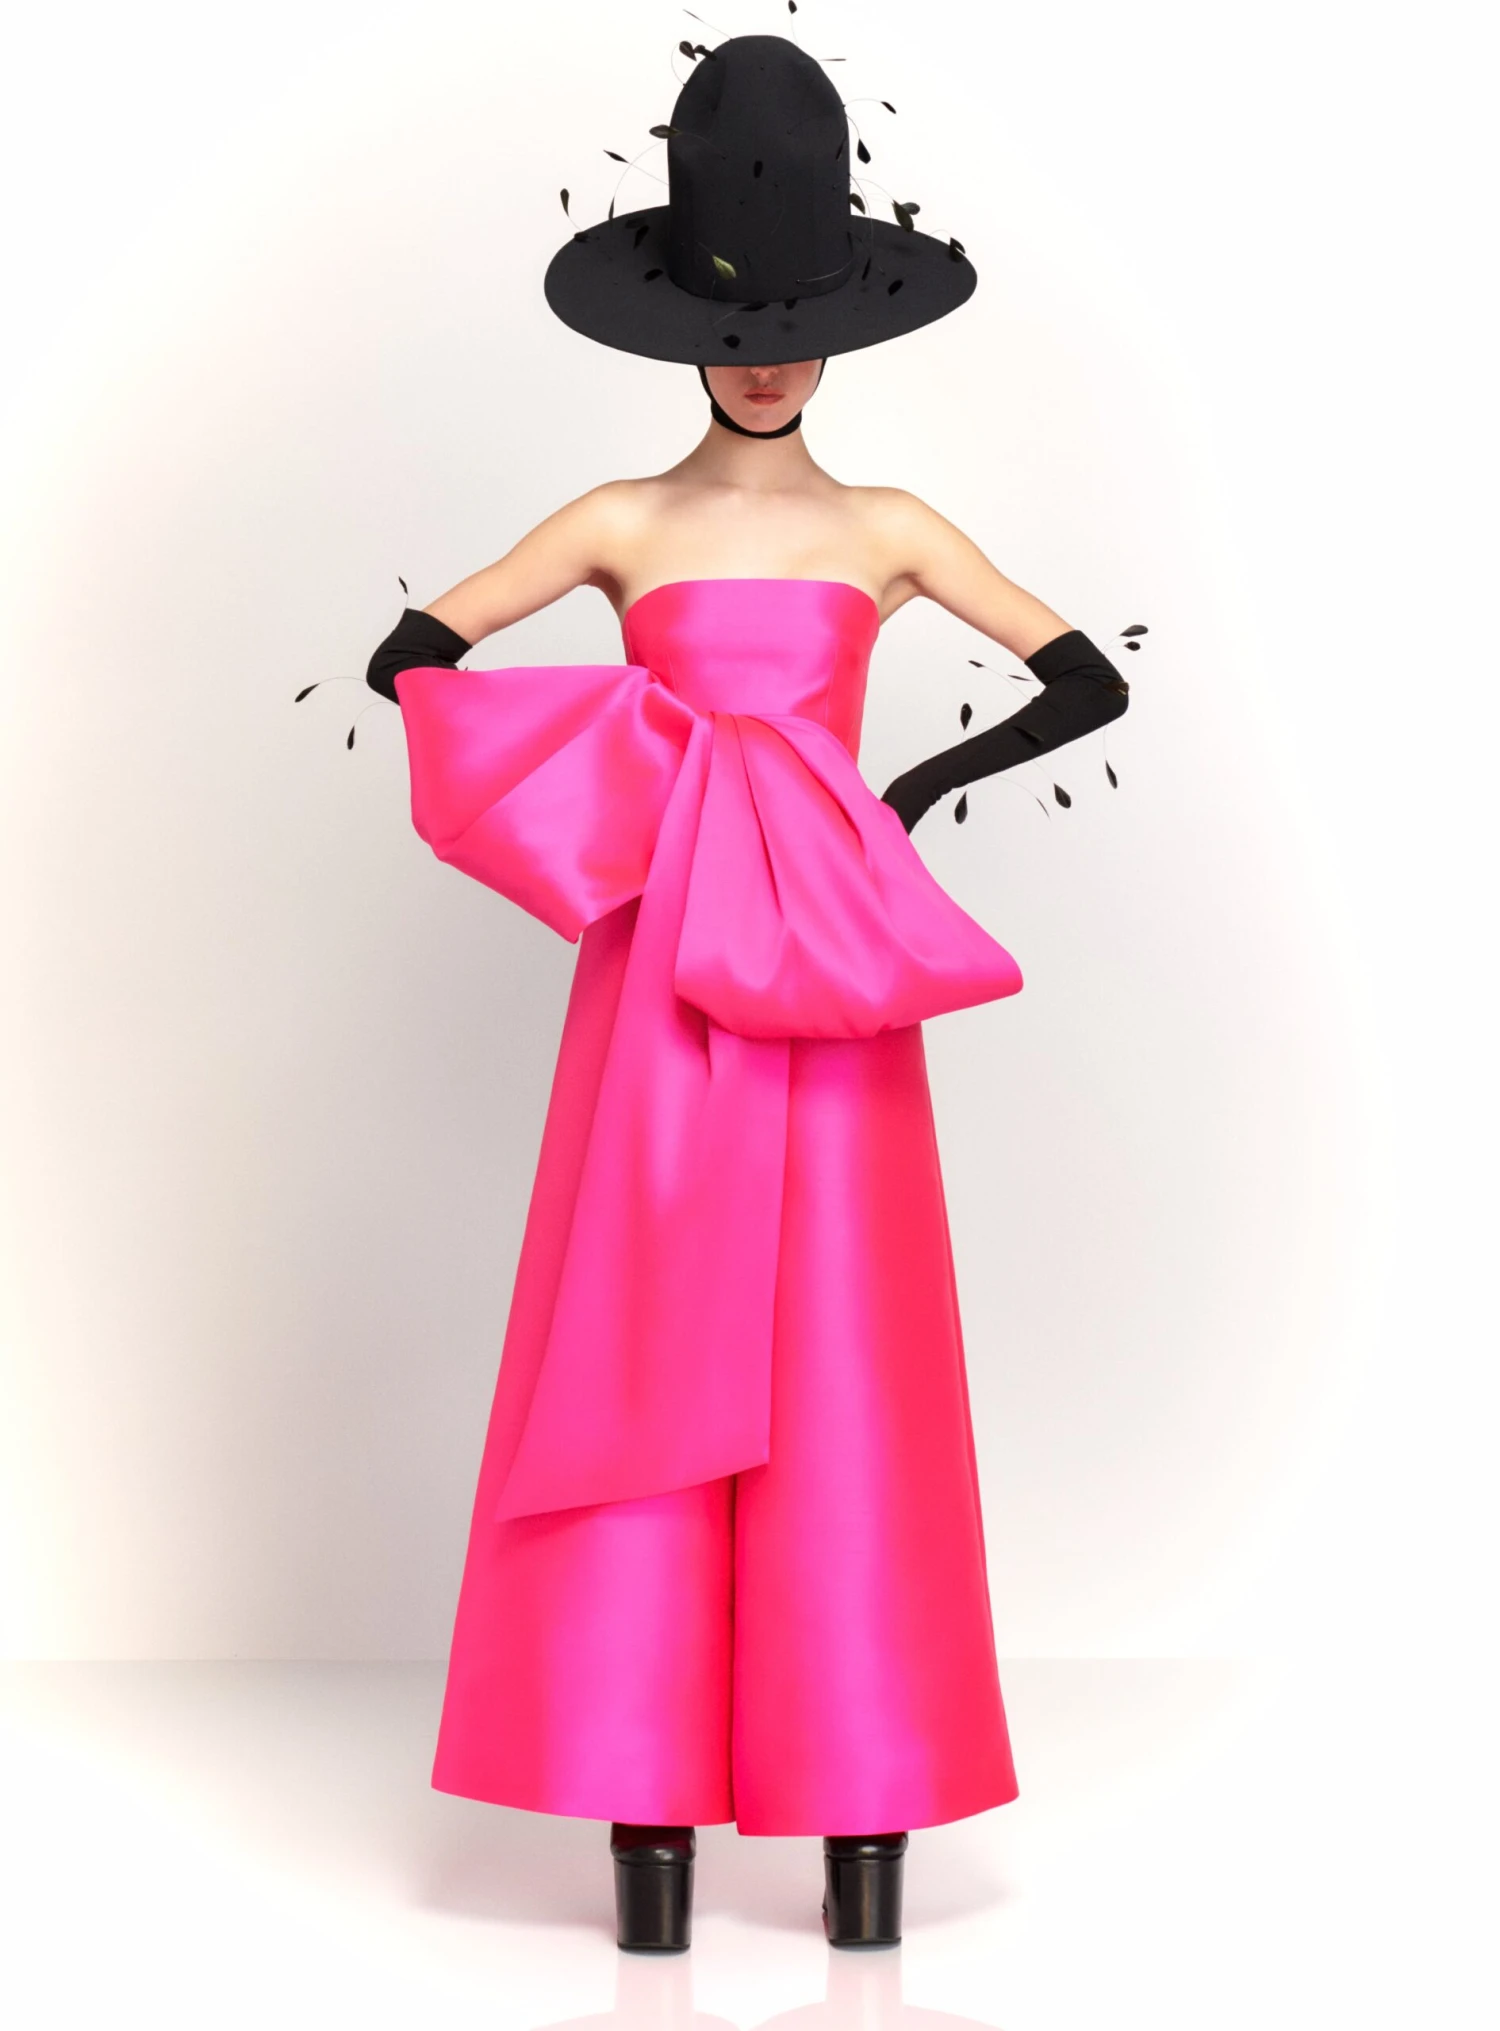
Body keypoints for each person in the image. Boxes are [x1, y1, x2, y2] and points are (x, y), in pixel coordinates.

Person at [363, 35, 1129, 1954]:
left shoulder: (892, 530)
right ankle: (646, 1835)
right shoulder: (618, 522)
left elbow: (1086, 677)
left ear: (844, 318)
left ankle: (861, 1821)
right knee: (643, 1332)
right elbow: (414, 657)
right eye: (735, 326)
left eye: (796, 325)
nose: (768, 361)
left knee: (844, 1367)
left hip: (831, 975)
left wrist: (896, 800)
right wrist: (642, 773)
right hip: (656, 984)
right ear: (679, 328)